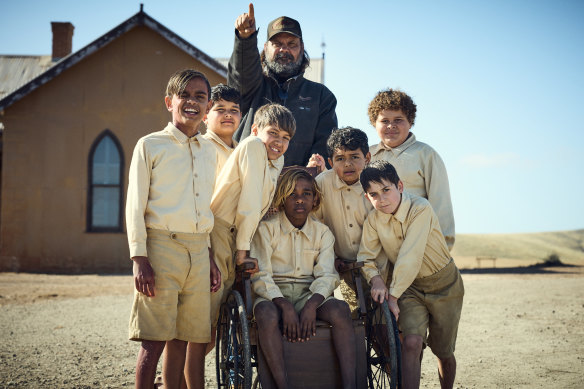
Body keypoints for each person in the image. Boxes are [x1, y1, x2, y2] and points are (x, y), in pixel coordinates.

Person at [126, 69, 221, 389]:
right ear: (170, 102)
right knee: (154, 340)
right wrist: (139, 258)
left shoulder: (209, 150)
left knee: (185, 336)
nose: (193, 102)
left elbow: (203, 206)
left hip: (198, 250)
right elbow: (134, 205)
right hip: (161, 247)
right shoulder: (150, 145)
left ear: (208, 108)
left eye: (200, 97)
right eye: (185, 95)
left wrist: (207, 256)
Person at [357, 160, 464, 389]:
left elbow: (410, 255)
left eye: (386, 190)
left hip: (444, 284)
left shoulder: (420, 208)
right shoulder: (374, 221)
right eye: (373, 194)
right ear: (367, 198)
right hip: (410, 288)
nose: (382, 199)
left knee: (443, 351)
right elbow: (366, 257)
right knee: (412, 343)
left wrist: (392, 296)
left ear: (400, 186)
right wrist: (376, 280)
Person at [251, 169, 357, 389]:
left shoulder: (323, 233)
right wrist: (284, 306)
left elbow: (327, 275)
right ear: (282, 198)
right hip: (273, 295)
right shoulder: (266, 230)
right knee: (265, 314)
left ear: (314, 199)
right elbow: (261, 276)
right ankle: (282, 385)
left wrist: (310, 305)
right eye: (292, 194)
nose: (300, 199)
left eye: (306, 193)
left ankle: (350, 385)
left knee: (340, 310)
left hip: (308, 294)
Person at [209, 103, 295, 338]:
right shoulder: (254, 146)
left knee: (218, 318)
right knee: (210, 315)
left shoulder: (276, 159)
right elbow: (250, 201)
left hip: (236, 233)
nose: (279, 141)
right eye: (273, 133)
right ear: (255, 130)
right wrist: (242, 251)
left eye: (286, 137)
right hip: (221, 230)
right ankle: (175, 375)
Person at [229, 3, 338, 166]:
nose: (284, 50)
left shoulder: (322, 96)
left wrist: (306, 180)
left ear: (301, 48)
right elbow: (241, 73)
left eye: (291, 44)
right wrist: (245, 39)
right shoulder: (252, 86)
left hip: (297, 188)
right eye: (277, 44)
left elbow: (325, 147)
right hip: (249, 182)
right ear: (266, 48)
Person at [368, 89, 455, 249]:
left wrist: (442, 246)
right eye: (384, 120)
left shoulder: (426, 155)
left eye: (398, 120)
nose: (391, 126)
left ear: (410, 121)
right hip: (377, 247)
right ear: (374, 123)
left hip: (417, 244)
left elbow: (440, 203)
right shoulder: (366, 156)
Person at [311, 127, 374, 314]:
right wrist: (333, 258)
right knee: (357, 318)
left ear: (367, 158)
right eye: (340, 159)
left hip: (379, 266)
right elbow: (314, 224)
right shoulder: (322, 183)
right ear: (330, 162)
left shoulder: (377, 181)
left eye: (355, 157)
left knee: (384, 322)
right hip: (344, 268)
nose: (348, 164)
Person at [202, 83, 242, 176]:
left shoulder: (242, 151)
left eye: (234, 110)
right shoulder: (202, 148)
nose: (229, 114)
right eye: (220, 109)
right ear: (205, 116)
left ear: (240, 116)